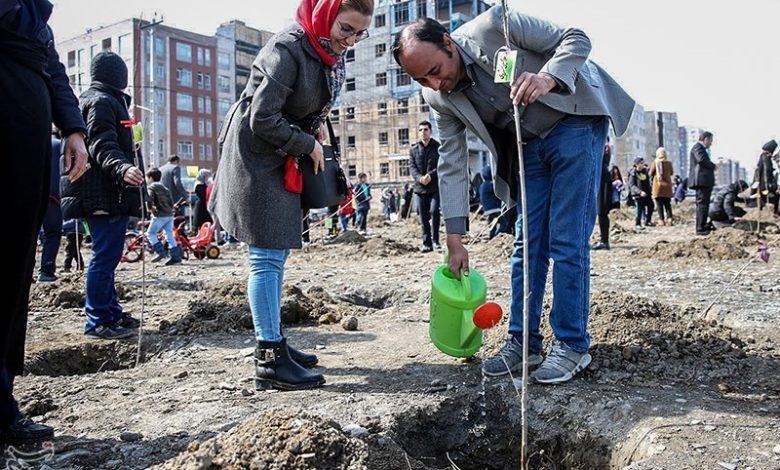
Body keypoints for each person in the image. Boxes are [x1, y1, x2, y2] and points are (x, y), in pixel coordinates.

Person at [392, 5, 634, 384]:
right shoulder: (438, 99)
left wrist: (547, 77)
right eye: (422, 80)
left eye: (435, 71)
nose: (434, 85)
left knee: (566, 238)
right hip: (529, 146)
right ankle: (524, 343)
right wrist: (454, 239)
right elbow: (452, 163)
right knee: (526, 243)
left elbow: (576, 38)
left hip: (572, 120)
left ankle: (572, 345)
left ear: (448, 42)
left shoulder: (495, 25)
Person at [209, 0, 373, 391]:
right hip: (257, 156)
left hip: (279, 154)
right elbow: (262, 117)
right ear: (325, 15)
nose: (350, 40)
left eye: (359, 33)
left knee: (277, 251)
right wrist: (306, 142)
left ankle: (276, 340)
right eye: (346, 29)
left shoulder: (324, 50)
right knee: (265, 256)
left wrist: (311, 129)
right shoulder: (287, 49)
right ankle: (269, 359)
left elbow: (302, 102)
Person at [1, 0, 89, 443]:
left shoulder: (38, 23)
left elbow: (54, 72)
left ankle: (2, 402)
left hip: (27, 159)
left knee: (15, 278)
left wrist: (73, 129)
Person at [61, 51, 144, 340]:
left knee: (108, 256)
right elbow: (100, 143)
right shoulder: (101, 101)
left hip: (104, 193)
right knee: (104, 257)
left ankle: (110, 312)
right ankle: (97, 320)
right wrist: (122, 169)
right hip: (101, 193)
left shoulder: (103, 100)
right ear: (117, 77)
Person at [409, 120, 441, 251]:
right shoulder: (414, 149)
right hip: (420, 188)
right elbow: (412, 167)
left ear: (430, 131)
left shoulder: (437, 147)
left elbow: (441, 165)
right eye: (421, 130)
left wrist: (430, 175)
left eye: (426, 129)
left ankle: (435, 241)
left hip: (434, 187)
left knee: (434, 212)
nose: (423, 132)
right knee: (423, 217)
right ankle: (426, 243)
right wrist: (419, 178)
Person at [37, 130, 65, 282]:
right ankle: (46, 271)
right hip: (53, 196)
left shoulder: (31, 141)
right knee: (53, 233)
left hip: (30, 193)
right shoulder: (61, 145)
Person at [146, 167, 182, 265]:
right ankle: (175, 257)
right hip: (169, 215)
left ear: (150, 178)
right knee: (169, 235)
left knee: (150, 234)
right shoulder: (165, 188)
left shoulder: (151, 187)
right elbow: (171, 202)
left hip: (159, 215)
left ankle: (161, 252)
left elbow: (149, 199)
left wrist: (150, 209)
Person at [593, 146, 622, 250]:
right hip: (601, 175)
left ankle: (604, 241)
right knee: (601, 211)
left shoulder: (603, 145)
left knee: (602, 210)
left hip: (601, 177)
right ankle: (603, 240)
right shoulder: (603, 144)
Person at [688, 131, 716, 235]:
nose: (711, 143)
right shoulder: (698, 147)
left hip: (704, 182)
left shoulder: (701, 148)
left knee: (704, 205)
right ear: (705, 139)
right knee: (702, 205)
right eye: (710, 141)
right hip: (701, 181)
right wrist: (713, 166)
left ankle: (703, 225)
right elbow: (701, 160)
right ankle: (700, 228)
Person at [649, 147, 674, 226]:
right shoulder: (669, 163)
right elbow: (672, 173)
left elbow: (650, 173)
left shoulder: (655, 163)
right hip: (667, 186)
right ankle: (669, 219)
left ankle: (661, 220)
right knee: (667, 204)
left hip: (658, 186)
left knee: (659, 204)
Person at [628, 157, 654, 228]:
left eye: (643, 163)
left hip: (647, 193)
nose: (642, 165)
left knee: (651, 205)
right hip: (638, 195)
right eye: (641, 163)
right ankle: (638, 223)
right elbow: (632, 185)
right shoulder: (633, 173)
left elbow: (649, 181)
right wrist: (639, 192)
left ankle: (648, 221)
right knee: (639, 209)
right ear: (636, 164)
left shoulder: (645, 171)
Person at [754, 139, 777, 213]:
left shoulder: (762, 157)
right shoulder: (766, 158)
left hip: (761, 185)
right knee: (773, 198)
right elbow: (766, 172)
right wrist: (768, 185)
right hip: (764, 186)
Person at [192, 168, 213, 233]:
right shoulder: (199, 184)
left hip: (203, 204)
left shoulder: (202, 183)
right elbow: (203, 194)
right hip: (201, 205)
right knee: (201, 220)